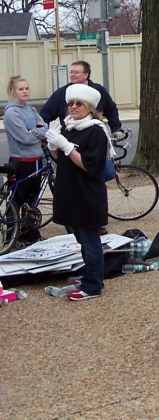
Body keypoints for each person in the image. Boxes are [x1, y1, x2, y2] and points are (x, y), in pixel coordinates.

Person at [47, 84, 112, 301]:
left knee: (90, 240)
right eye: (71, 104)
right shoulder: (70, 127)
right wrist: (53, 145)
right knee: (81, 239)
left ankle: (93, 285)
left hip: (87, 193)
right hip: (71, 191)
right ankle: (90, 275)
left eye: (79, 104)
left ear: (90, 108)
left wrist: (66, 146)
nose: (73, 108)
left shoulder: (95, 130)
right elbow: (61, 160)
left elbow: (89, 166)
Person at [3, 76, 49, 245]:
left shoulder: (31, 110)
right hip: (21, 161)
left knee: (31, 200)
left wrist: (34, 132)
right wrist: (37, 132)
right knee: (16, 200)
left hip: (37, 159)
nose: (25, 92)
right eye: (21, 89)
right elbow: (24, 138)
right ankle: (11, 236)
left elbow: (45, 128)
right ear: (13, 91)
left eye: (27, 88)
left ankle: (29, 233)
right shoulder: (11, 112)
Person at [40, 60, 122, 133]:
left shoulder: (99, 91)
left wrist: (116, 129)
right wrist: (44, 132)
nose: (72, 75)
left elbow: (111, 110)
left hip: (94, 133)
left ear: (86, 75)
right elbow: (46, 113)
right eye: (71, 72)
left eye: (76, 72)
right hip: (70, 134)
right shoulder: (61, 93)